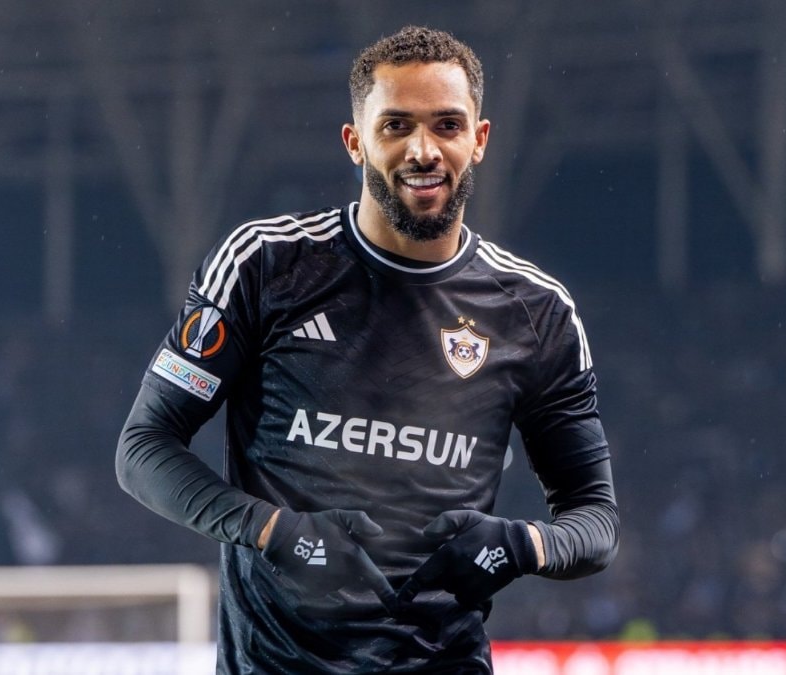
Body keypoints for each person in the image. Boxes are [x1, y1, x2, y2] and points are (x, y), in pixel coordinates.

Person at [117, 25, 619, 673]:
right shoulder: (265, 265)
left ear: (479, 139)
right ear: (355, 142)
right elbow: (145, 447)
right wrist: (274, 532)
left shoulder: (536, 312)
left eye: (447, 125)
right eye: (396, 126)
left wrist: (521, 546)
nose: (423, 150)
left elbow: (594, 520)